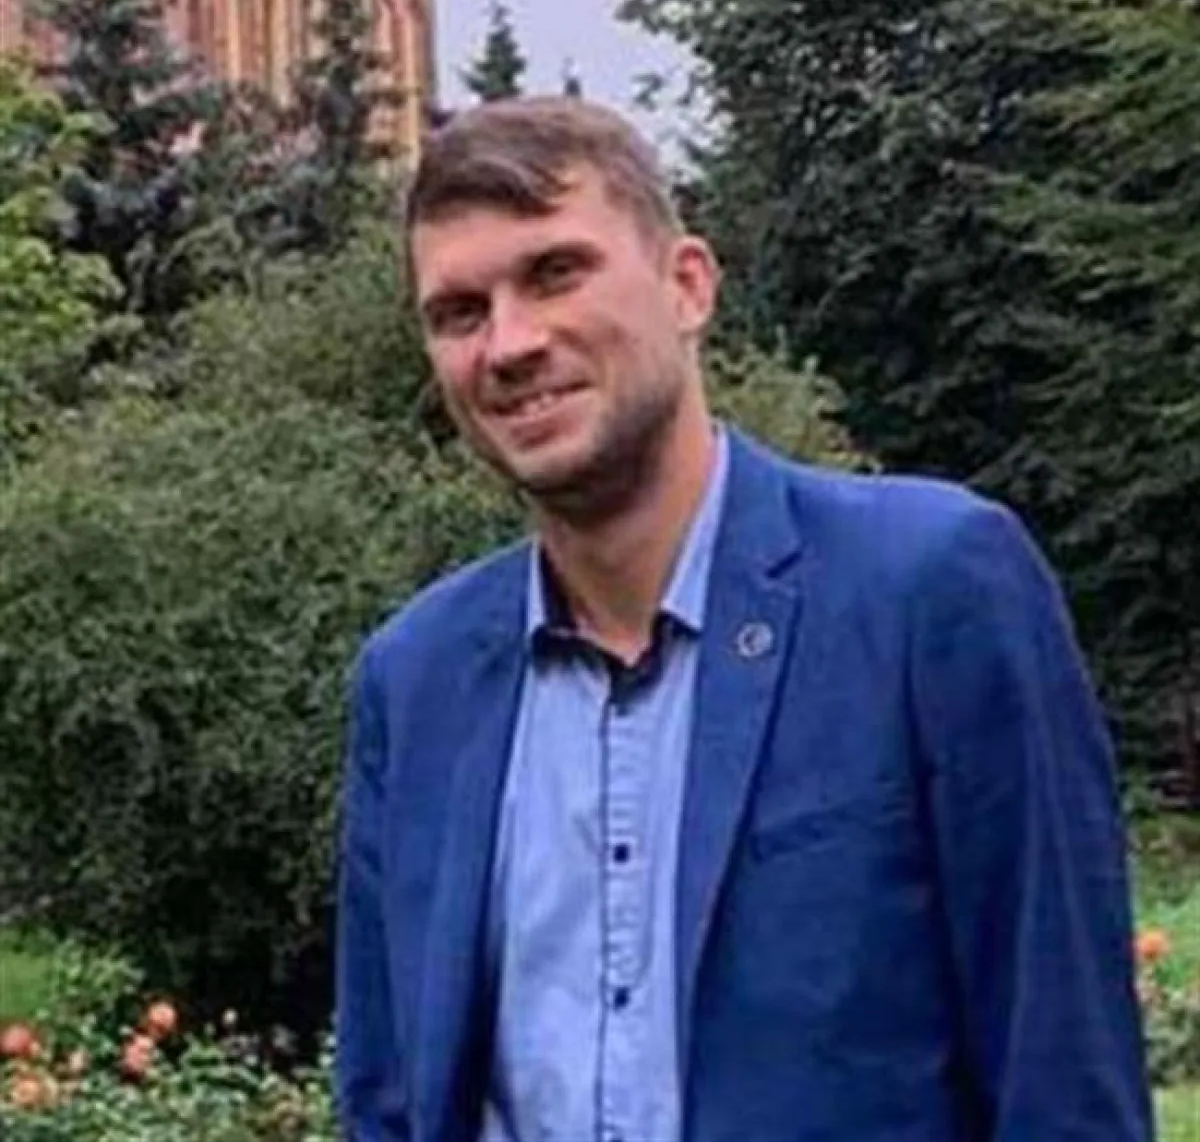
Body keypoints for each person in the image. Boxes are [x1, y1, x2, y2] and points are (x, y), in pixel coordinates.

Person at [333, 96, 1153, 1142]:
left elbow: (1063, 1079)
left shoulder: (928, 591)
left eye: (556, 273)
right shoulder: (416, 682)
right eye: (459, 312)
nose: (511, 343)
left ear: (688, 286)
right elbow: (389, 1103)